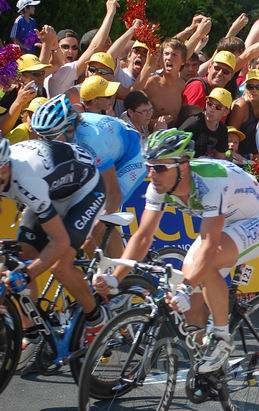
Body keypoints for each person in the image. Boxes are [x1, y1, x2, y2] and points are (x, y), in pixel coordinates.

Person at [93, 129, 259, 374]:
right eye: (149, 166)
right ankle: (208, 359)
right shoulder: (158, 187)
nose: (151, 174)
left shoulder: (211, 181)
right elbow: (143, 236)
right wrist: (115, 277)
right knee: (190, 303)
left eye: (159, 167)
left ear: (183, 166)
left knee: (201, 268)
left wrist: (185, 287)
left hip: (257, 220)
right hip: (224, 226)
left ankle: (222, 339)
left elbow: (210, 245)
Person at [0, 137, 108, 343]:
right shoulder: (7, 172)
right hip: (51, 188)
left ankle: (96, 318)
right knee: (18, 258)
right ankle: (31, 329)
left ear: (4, 168)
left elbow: (60, 241)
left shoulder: (27, 181)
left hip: (84, 192)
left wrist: (28, 273)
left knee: (59, 266)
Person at [31, 94, 146, 256]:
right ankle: (96, 270)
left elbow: (114, 195)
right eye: (42, 137)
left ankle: (121, 275)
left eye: (50, 136)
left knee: (99, 219)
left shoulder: (91, 140)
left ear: (69, 128)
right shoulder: (66, 137)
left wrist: (94, 228)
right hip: (103, 152)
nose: (46, 142)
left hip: (130, 157)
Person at [139, 38, 188, 127]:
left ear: (183, 61)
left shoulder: (182, 85)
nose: (169, 58)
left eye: (174, 55)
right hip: (152, 137)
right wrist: (154, 122)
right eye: (166, 54)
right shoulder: (151, 84)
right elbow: (134, 114)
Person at [179, 88, 231, 159]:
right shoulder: (194, 123)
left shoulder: (222, 130)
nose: (212, 109)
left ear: (225, 112)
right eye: (209, 103)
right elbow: (175, 149)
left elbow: (220, 158)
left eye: (218, 107)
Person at [228, 69, 259, 157]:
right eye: (250, 86)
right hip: (238, 159)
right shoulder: (241, 106)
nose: (254, 90)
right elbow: (230, 138)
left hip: (255, 159)